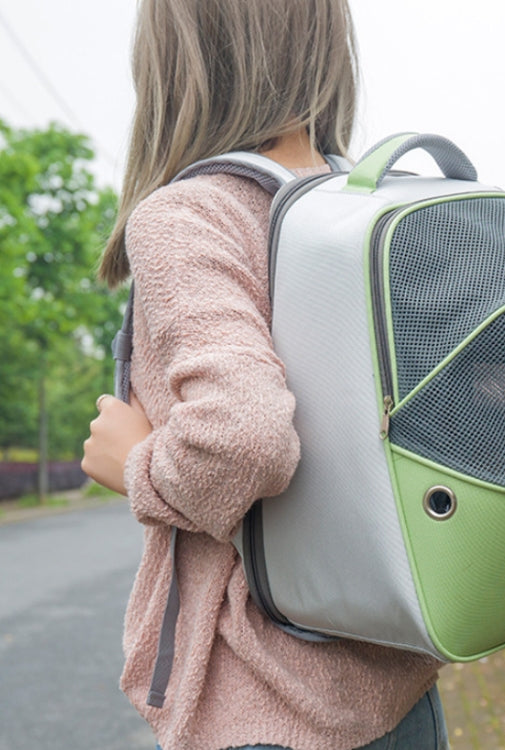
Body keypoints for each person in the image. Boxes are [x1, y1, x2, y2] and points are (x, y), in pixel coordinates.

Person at [81, 1, 449, 749]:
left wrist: (137, 464)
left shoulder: (193, 215)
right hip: (401, 686)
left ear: (176, 55)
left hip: (264, 702)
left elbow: (246, 438)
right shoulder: (380, 205)